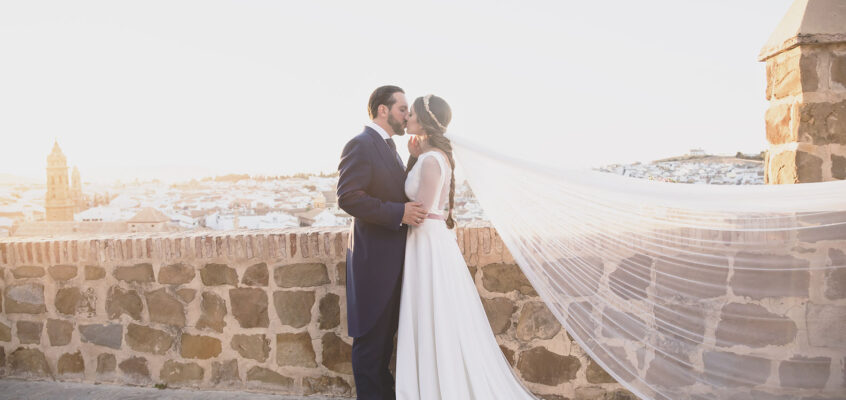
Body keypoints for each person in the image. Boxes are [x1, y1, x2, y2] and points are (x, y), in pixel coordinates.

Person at [395, 94, 536, 399]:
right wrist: (413, 156)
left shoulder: (432, 160)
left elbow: (422, 209)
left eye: (412, 115)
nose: (407, 118)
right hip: (430, 241)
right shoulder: (429, 156)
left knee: (433, 311)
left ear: (424, 121)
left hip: (426, 242)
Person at [337, 85, 428, 400]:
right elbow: (348, 197)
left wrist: (414, 161)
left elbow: (395, 188)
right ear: (383, 110)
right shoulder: (361, 144)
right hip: (373, 264)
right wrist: (398, 213)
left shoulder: (389, 147)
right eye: (403, 108)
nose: (407, 115)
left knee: (383, 345)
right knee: (371, 346)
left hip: (392, 263)